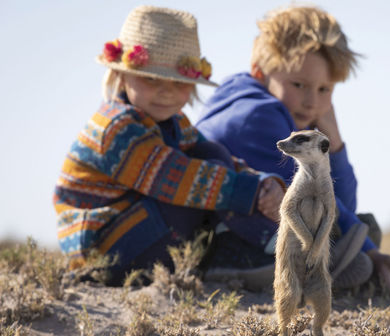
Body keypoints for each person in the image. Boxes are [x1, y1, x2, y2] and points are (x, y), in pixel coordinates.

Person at [53, 5, 285, 286]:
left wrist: (262, 184)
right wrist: (250, 192)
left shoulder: (174, 122)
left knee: (211, 153)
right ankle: (247, 249)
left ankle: (242, 249)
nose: (166, 91)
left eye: (179, 82)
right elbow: (174, 178)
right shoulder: (115, 128)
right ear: (121, 75)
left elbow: (218, 161)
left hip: (140, 235)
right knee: (195, 185)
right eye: (151, 78)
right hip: (105, 252)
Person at [196, 6, 390, 301]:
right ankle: (247, 264)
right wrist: (369, 249)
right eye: (299, 85)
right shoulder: (259, 114)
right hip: (223, 233)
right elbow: (325, 198)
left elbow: (343, 201)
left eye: (325, 90)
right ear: (261, 71)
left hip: (241, 222)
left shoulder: (244, 93)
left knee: (363, 226)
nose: (312, 102)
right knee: (357, 235)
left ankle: (333, 263)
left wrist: (333, 139)